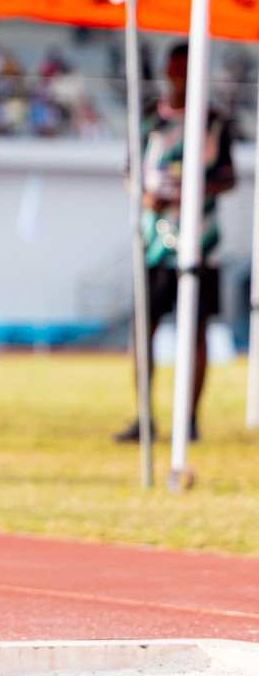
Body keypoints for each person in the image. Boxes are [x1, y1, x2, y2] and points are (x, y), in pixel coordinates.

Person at [117, 42, 235, 444]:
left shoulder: (213, 121)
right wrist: (145, 195)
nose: (180, 76)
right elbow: (131, 169)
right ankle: (144, 416)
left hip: (200, 243)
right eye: (176, 68)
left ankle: (190, 418)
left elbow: (229, 176)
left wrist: (193, 192)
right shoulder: (149, 117)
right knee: (143, 328)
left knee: (196, 329)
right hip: (154, 243)